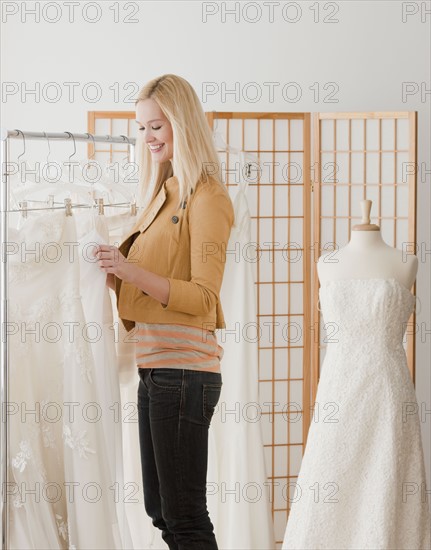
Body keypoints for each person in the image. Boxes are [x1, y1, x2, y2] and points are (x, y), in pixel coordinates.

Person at [95, 74, 235, 550]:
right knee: (162, 511)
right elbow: (146, 287)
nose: (148, 137)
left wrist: (128, 271)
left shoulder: (208, 196)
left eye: (158, 126)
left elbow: (204, 298)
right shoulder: (163, 192)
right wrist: (113, 274)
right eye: (142, 128)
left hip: (185, 370)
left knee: (185, 516)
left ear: (182, 122)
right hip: (155, 369)